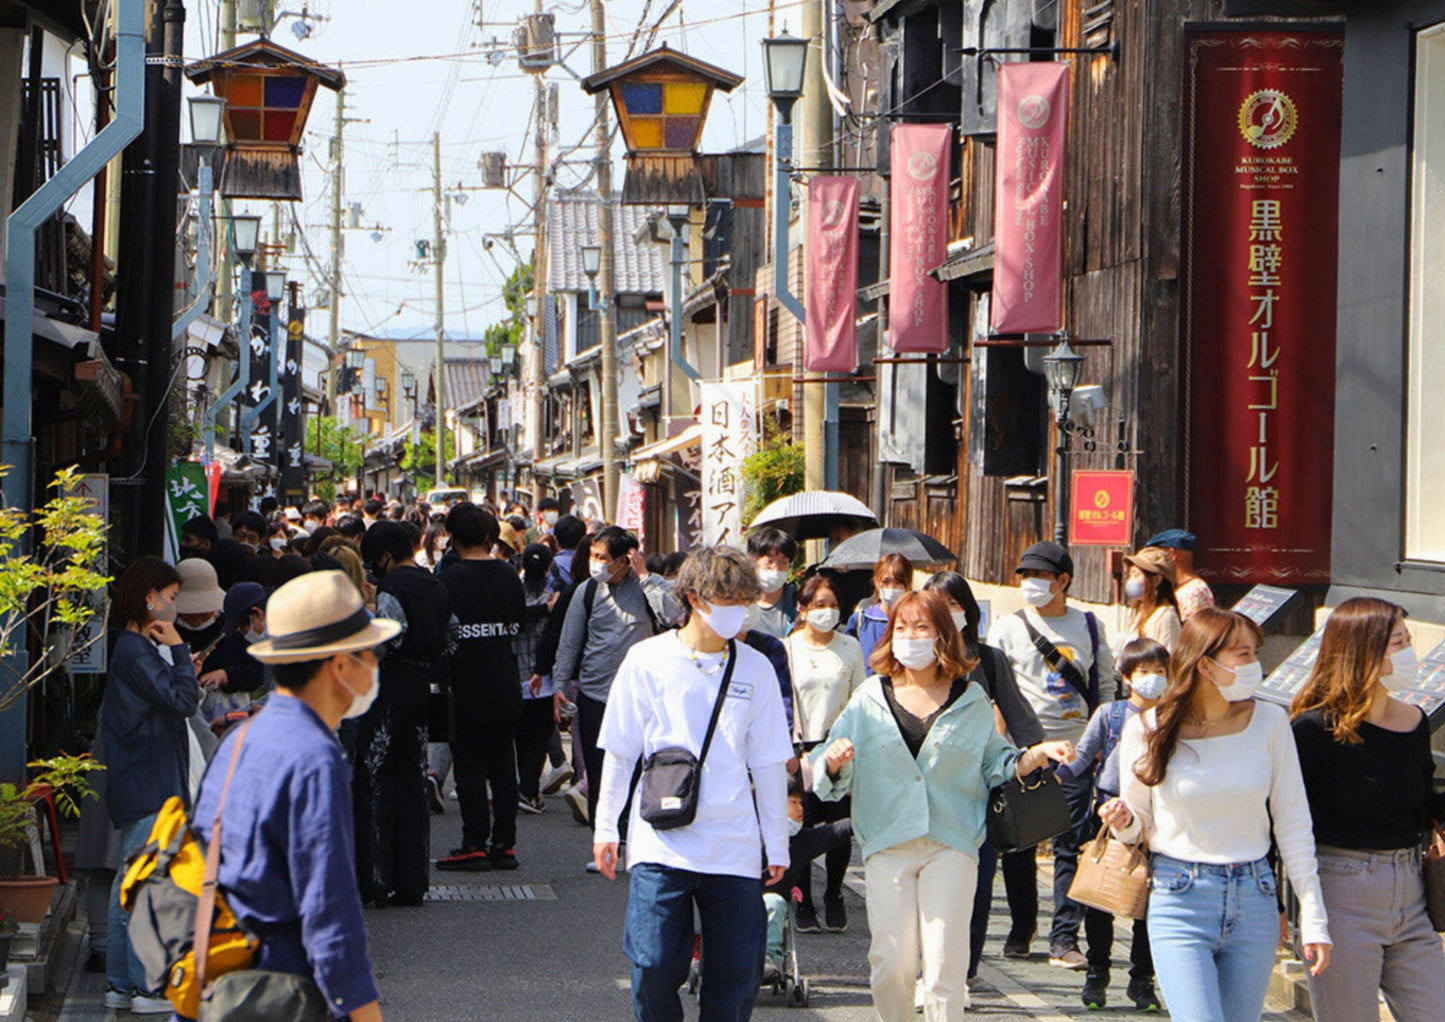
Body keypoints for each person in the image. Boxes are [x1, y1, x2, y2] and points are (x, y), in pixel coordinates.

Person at [812, 590, 1074, 1021]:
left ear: (942, 637)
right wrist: (835, 760)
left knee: (944, 966)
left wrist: (1035, 755)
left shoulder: (970, 699)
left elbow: (997, 763)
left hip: (951, 842)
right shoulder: (869, 697)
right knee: (891, 963)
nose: (909, 636)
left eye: (921, 627)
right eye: (901, 627)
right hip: (887, 841)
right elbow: (828, 769)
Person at [593, 546, 793, 1022]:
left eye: (743, 599)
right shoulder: (646, 660)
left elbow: (768, 763)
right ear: (692, 598)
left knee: (735, 977)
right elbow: (621, 751)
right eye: (725, 599)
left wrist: (777, 845)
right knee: (654, 965)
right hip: (662, 842)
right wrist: (606, 828)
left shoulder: (756, 668)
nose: (736, 610)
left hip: (735, 847)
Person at [1100, 608, 1330, 1022]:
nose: (1254, 663)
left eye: (1254, 652)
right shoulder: (1148, 728)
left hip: (1254, 894)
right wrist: (1122, 822)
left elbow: (1294, 824)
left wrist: (1312, 919)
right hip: (1179, 896)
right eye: (1241, 654)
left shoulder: (1272, 722)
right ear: (1205, 663)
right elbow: (1141, 827)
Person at [192, 571, 393, 1022]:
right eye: (369, 652)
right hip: (283, 989)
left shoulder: (241, 741)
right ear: (339, 665)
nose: (376, 664)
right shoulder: (315, 756)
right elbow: (330, 915)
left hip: (220, 985)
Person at [1289, 598, 1445, 1021]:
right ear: (1363, 651)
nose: (1410, 650)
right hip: (1341, 893)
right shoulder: (1312, 730)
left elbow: (1425, 798)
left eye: (1408, 640)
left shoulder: (1413, 721)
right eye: (1399, 642)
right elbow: (1285, 819)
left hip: (1410, 894)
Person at [987, 541, 1113, 968]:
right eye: (1026, 576)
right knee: (1020, 844)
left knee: (1069, 845)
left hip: (1077, 749)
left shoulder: (1089, 626)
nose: (1032, 584)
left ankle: (1064, 937)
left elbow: (1106, 688)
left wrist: (1102, 745)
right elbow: (995, 695)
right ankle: (1023, 925)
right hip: (1025, 750)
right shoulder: (1007, 628)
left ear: (1063, 581)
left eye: (1041, 577)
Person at [921, 571, 1046, 986]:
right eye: (937, 605)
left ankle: (964, 971)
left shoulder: (988, 660)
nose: (946, 614)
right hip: (923, 792)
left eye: (954, 605)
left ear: (968, 611)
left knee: (975, 883)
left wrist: (1039, 758)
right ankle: (926, 967)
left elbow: (1020, 715)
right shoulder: (912, 659)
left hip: (980, 789)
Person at [100, 557, 200, 1014]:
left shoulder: (129, 650)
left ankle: (123, 983)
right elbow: (182, 700)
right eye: (172, 598)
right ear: (149, 597)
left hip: (139, 779)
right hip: (150, 783)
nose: (173, 608)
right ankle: (145, 986)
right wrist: (180, 651)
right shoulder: (138, 653)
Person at [1056, 638, 1167, 1011]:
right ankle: (1097, 975)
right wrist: (1050, 774)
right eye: (1145, 672)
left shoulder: (1174, 716)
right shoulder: (1111, 714)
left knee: (1148, 908)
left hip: (1156, 822)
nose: (1154, 679)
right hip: (1108, 816)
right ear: (1127, 677)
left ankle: (1141, 981)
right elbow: (1083, 758)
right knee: (1100, 899)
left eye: (1161, 672)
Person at [553, 526, 681, 841]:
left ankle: (634, 836)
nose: (596, 563)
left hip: (641, 698)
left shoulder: (650, 586)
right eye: (593, 556)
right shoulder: (586, 591)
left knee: (638, 770)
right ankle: (605, 837)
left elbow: (673, 615)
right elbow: (569, 643)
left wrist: (645, 578)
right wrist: (558, 685)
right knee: (598, 773)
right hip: (594, 695)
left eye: (603, 557)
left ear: (625, 559)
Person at [353, 521, 452, 904]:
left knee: (373, 774)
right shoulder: (435, 584)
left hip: (388, 687)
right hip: (422, 687)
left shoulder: (393, 588)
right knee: (412, 777)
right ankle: (413, 880)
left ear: (385, 556)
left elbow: (389, 638)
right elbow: (451, 636)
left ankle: (376, 877)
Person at [437, 506, 527, 871]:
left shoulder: (449, 580)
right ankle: (505, 844)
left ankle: (473, 843)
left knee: (470, 765)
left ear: (452, 537)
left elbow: (440, 633)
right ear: (491, 537)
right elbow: (518, 624)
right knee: (504, 765)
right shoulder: (508, 576)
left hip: (465, 684)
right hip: (506, 681)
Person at [784, 574, 866, 932]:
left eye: (833, 605)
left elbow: (860, 699)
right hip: (800, 749)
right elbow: (783, 701)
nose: (827, 612)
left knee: (838, 827)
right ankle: (803, 902)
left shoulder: (850, 647)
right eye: (819, 605)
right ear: (802, 609)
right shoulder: (788, 647)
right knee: (801, 825)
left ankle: (834, 894)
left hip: (839, 747)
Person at [762, 769, 853, 977]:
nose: (800, 808)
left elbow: (836, 830)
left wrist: (861, 820)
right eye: (793, 803)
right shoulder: (751, 831)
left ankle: (769, 957)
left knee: (774, 903)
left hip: (773, 900)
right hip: (741, 897)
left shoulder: (803, 839)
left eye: (801, 803)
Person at [514, 543, 558, 813]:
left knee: (521, 738)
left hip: (514, 676)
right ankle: (528, 789)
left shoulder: (512, 598)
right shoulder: (550, 600)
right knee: (539, 739)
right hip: (541, 679)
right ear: (547, 568)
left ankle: (528, 790)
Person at [845, 553, 913, 666]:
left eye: (898, 582)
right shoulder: (861, 620)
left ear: (908, 584)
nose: (892, 588)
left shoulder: (915, 620)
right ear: (876, 582)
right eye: (885, 582)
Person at [1117, 547, 1182, 653]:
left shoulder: (1166, 617)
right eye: (1129, 575)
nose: (1130, 580)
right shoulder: (1141, 610)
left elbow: (1167, 661)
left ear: (1157, 580)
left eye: (1136, 574)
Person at [1143, 528, 1214, 622]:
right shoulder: (1181, 588)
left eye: (1157, 555)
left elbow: (1191, 633)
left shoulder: (1194, 592)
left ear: (1172, 554)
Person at [747, 526, 798, 639]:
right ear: (754, 561)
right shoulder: (740, 602)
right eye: (769, 562)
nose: (775, 568)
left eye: (783, 563)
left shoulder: (798, 603)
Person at [173, 557, 227, 653]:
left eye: (203, 613)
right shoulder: (161, 630)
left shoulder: (229, 630)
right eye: (188, 613)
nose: (196, 617)